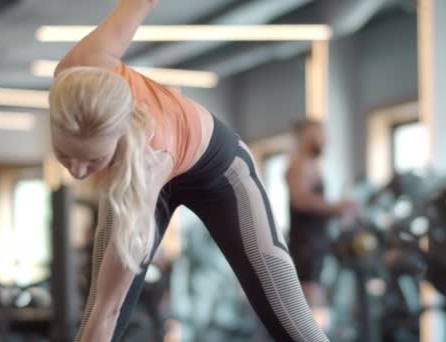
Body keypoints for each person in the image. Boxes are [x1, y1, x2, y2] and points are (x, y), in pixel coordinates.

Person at [47, 1, 330, 341]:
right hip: (137, 172)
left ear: (119, 136)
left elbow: (112, 306)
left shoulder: (148, 161)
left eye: (93, 162)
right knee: (98, 312)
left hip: (219, 173)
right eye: (65, 155)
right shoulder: (79, 66)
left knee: (293, 324)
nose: (78, 172)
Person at [286, 119, 356, 328]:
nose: (325, 140)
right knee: (309, 301)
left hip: (316, 242)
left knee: (317, 298)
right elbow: (301, 200)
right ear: (306, 136)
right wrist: (337, 207)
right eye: (320, 135)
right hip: (306, 244)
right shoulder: (299, 164)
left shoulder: (309, 165)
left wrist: (340, 211)